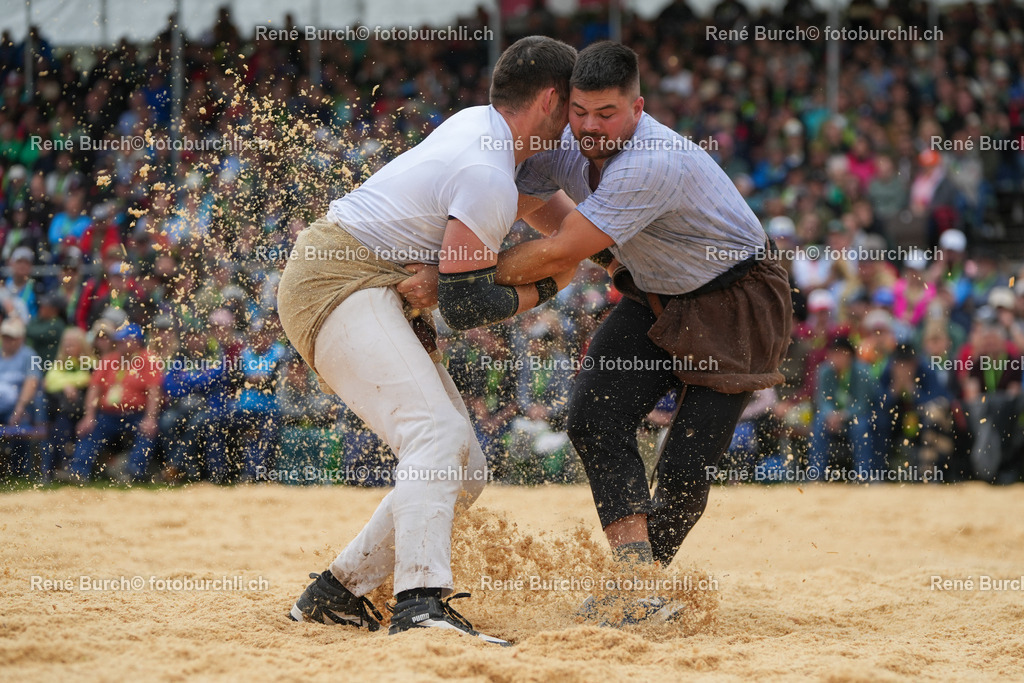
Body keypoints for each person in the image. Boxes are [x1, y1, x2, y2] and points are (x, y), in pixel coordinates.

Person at [406, 42, 791, 592]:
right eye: (579, 111)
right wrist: (460, 249)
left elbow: (564, 250)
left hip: (735, 300)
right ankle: (635, 580)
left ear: (637, 108)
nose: (589, 127)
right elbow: (527, 202)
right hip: (654, 290)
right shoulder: (564, 136)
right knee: (593, 416)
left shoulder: (652, 162)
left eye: (606, 114)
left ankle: (638, 587)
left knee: (684, 468)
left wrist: (455, 276)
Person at [277, 36, 577, 645]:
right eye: (577, 110)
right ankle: (421, 604)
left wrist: (602, 249)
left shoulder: (485, 130)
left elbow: (568, 230)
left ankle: (335, 594)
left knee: (463, 466)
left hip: (362, 278)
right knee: (434, 435)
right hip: (340, 279)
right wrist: (548, 289)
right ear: (551, 100)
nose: (579, 127)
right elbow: (465, 305)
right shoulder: (488, 170)